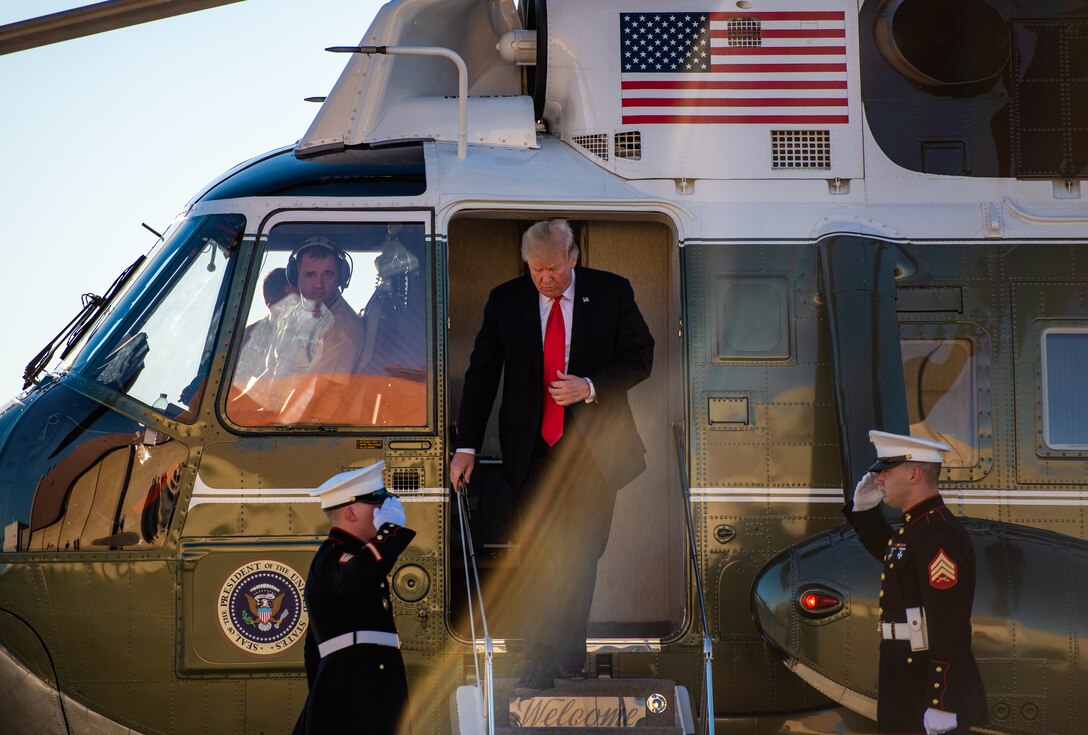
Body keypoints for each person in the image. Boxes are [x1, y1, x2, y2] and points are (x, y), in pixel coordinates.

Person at [449, 219, 654, 693]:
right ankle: (540, 658)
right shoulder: (506, 300)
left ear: (573, 257)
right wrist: (467, 447)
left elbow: (641, 356)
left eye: (554, 268)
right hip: (533, 450)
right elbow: (482, 374)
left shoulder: (611, 292)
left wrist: (591, 386)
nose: (545, 278)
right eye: (536, 269)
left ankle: (568, 655)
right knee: (540, 552)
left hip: (593, 451)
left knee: (582, 554)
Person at [844, 430, 988, 734]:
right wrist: (865, 513)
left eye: (885, 471)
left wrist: (941, 701)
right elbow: (893, 556)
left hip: (922, 683)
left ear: (913, 474)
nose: (878, 479)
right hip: (904, 680)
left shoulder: (939, 534)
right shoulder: (916, 529)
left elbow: (949, 623)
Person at [295, 461, 415, 735]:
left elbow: (313, 648)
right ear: (350, 512)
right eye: (376, 505)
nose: (383, 512)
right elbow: (354, 577)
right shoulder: (332, 556)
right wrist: (390, 533)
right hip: (354, 688)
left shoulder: (356, 556)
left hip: (366, 684)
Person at [243, 237, 365, 421]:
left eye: (328, 274)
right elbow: (267, 377)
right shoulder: (289, 316)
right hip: (275, 419)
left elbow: (311, 392)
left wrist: (269, 429)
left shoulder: (343, 328)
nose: (319, 284)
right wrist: (231, 412)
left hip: (306, 430)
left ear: (341, 277)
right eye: (310, 275)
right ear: (294, 278)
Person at [233, 267, 299, 390]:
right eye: (291, 302)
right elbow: (234, 387)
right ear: (271, 306)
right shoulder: (253, 336)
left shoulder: (316, 327)